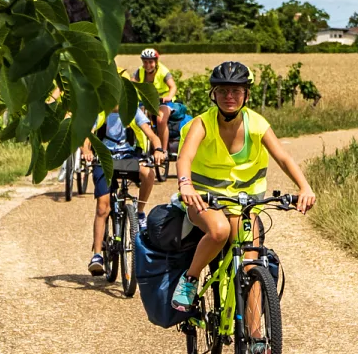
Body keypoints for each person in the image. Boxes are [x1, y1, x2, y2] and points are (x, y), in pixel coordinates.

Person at [170, 62, 317, 325]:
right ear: (213, 94)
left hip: (242, 205)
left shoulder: (256, 124)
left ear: (246, 95)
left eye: (236, 91)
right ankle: (190, 280)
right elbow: (185, 157)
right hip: (204, 200)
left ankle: (256, 336)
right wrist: (185, 184)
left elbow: (283, 157)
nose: (230, 96)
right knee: (219, 231)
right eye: (223, 90)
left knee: (252, 263)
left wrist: (304, 186)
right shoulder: (202, 124)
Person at [85, 105, 163, 275]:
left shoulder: (132, 110)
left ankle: (140, 212)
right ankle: (97, 255)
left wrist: (158, 149)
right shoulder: (99, 111)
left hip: (127, 156)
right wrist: (86, 151)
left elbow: (152, 135)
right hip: (103, 158)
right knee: (103, 207)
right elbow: (87, 136)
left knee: (148, 173)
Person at [134, 48, 178, 160]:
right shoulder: (139, 71)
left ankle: (163, 151)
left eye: (151, 62)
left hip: (163, 101)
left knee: (160, 120)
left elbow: (173, 87)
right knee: (138, 121)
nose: (148, 65)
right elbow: (131, 83)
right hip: (146, 101)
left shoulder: (163, 71)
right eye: (145, 62)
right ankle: (141, 148)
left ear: (156, 61)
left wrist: (168, 97)